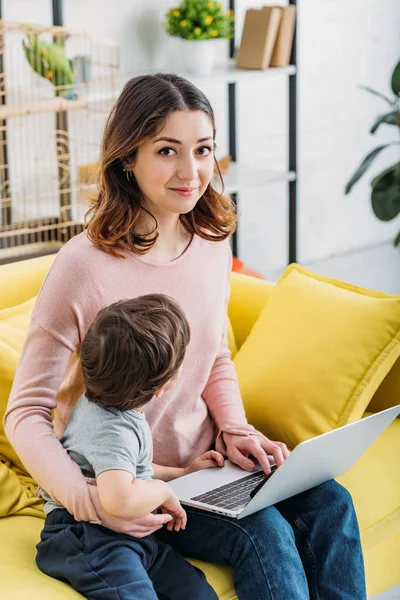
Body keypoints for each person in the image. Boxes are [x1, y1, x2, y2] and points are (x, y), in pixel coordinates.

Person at [5, 73, 367, 599]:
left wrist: (237, 433)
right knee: (264, 533)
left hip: (206, 465)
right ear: (127, 158)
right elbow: (25, 412)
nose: (191, 172)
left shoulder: (211, 241)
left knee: (331, 502)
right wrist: (88, 502)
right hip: (129, 481)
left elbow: (213, 354)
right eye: (168, 151)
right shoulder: (82, 266)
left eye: (203, 150)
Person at [36, 294, 221, 599]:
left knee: (199, 592)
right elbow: (119, 499)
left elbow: (128, 472)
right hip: (85, 535)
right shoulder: (112, 430)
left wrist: (183, 472)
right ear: (162, 387)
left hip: (128, 535)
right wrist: (163, 492)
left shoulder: (110, 405)